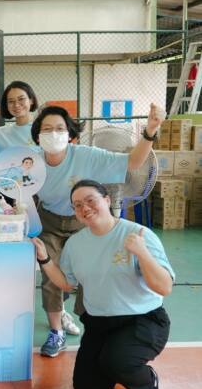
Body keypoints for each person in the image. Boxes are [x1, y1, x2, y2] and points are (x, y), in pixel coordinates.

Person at [32, 104, 164, 357]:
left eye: (59, 128)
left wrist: (150, 131)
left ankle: (94, 327)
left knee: (91, 275)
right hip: (48, 222)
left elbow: (133, 162)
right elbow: (12, 183)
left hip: (85, 221)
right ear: (38, 136)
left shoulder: (87, 156)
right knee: (51, 275)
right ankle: (56, 331)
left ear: (70, 133)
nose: (53, 134)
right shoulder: (31, 161)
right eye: (46, 129)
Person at [32, 180, 172, 389]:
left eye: (90, 200)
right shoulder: (75, 244)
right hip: (99, 323)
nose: (84, 208)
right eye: (77, 205)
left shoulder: (138, 235)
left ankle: (148, 388)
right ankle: (118, 368)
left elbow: (164, 287)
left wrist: (142, 253)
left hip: (142, 320)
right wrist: (44, 258)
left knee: (117, 361)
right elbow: (67, 283)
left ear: (107, 200)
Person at [0, 81, 39, 156]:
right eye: (11, 101)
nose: (16, 105)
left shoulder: (43, 130)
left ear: (31, 100)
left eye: (21, 99)